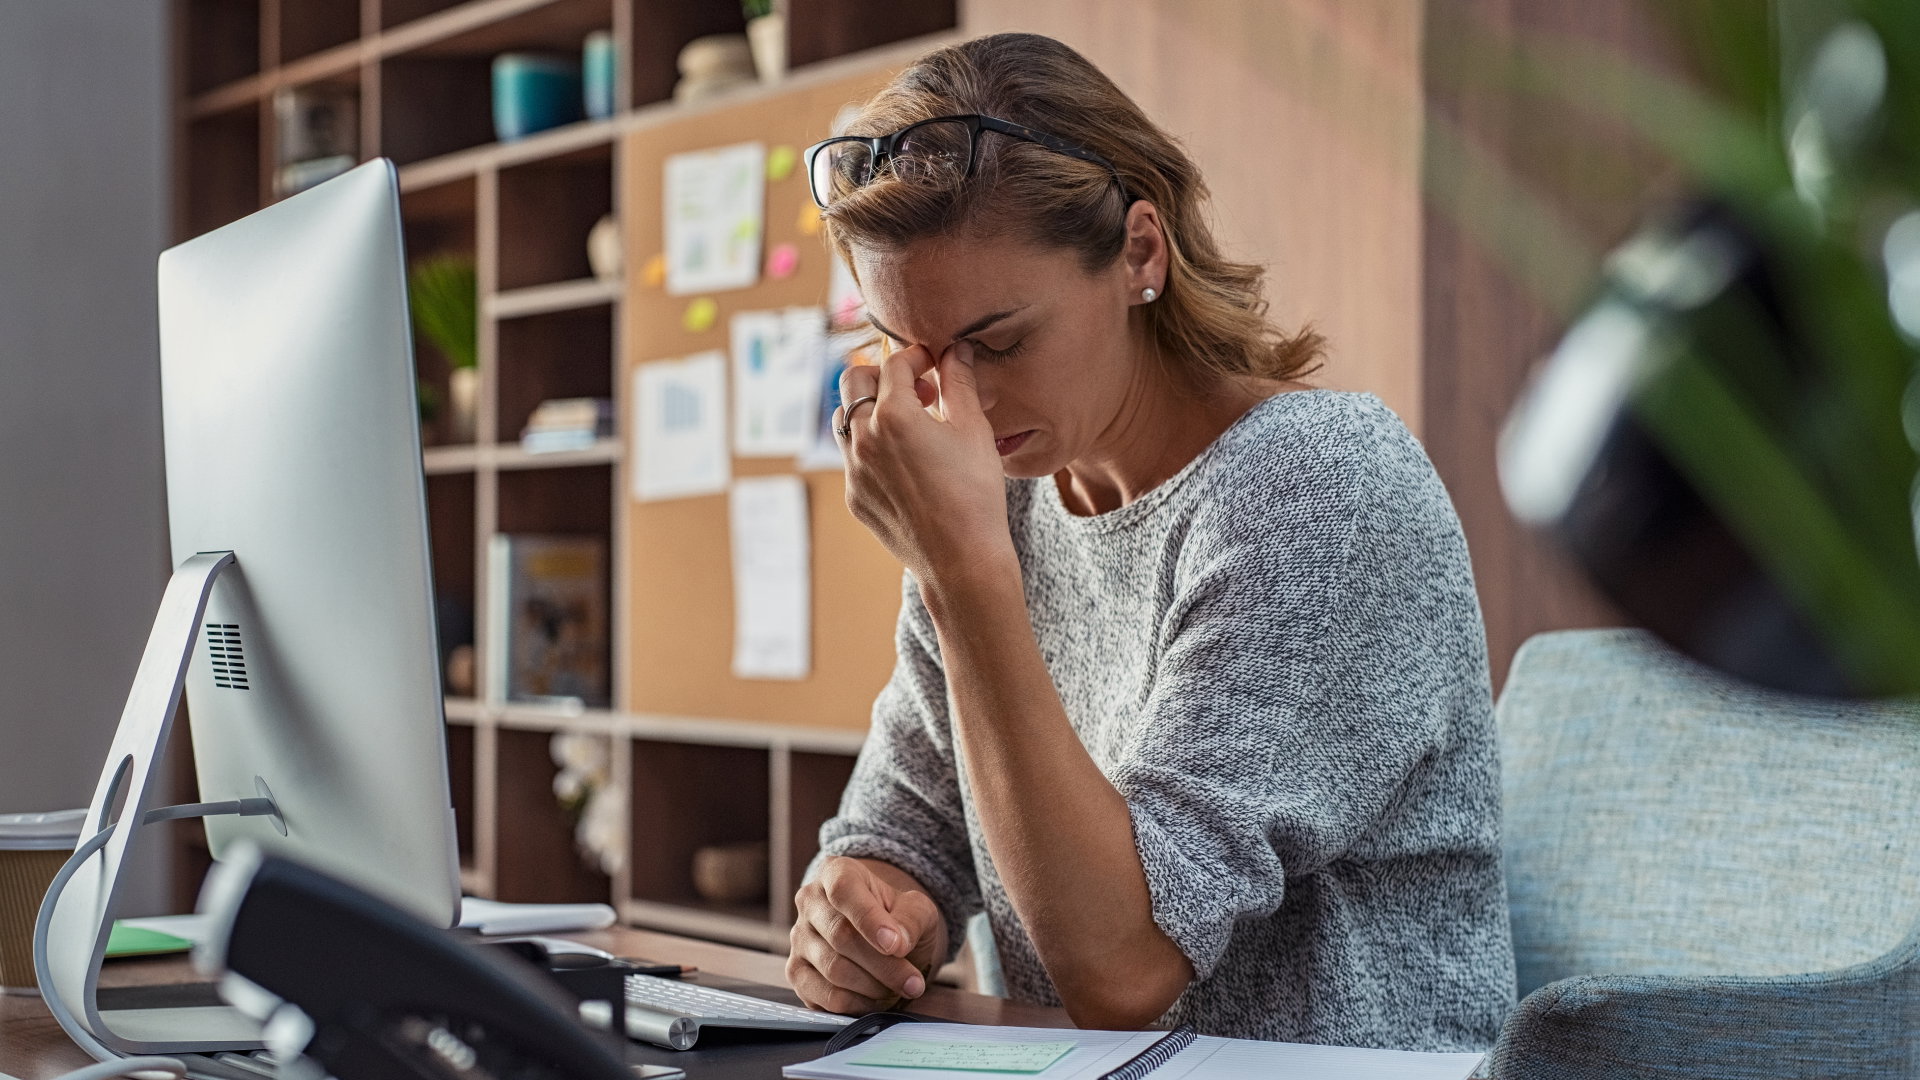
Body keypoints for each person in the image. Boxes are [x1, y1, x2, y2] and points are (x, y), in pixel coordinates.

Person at [785, 32, 1515, 1051]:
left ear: (1140, 252)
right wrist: (862, 916)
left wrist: (961, 572)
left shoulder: (1318, 489)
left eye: (1000, 343)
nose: (961, 400)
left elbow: (1122, 966)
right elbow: (908, 829)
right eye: (916, 352)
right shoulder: (1003, 504)